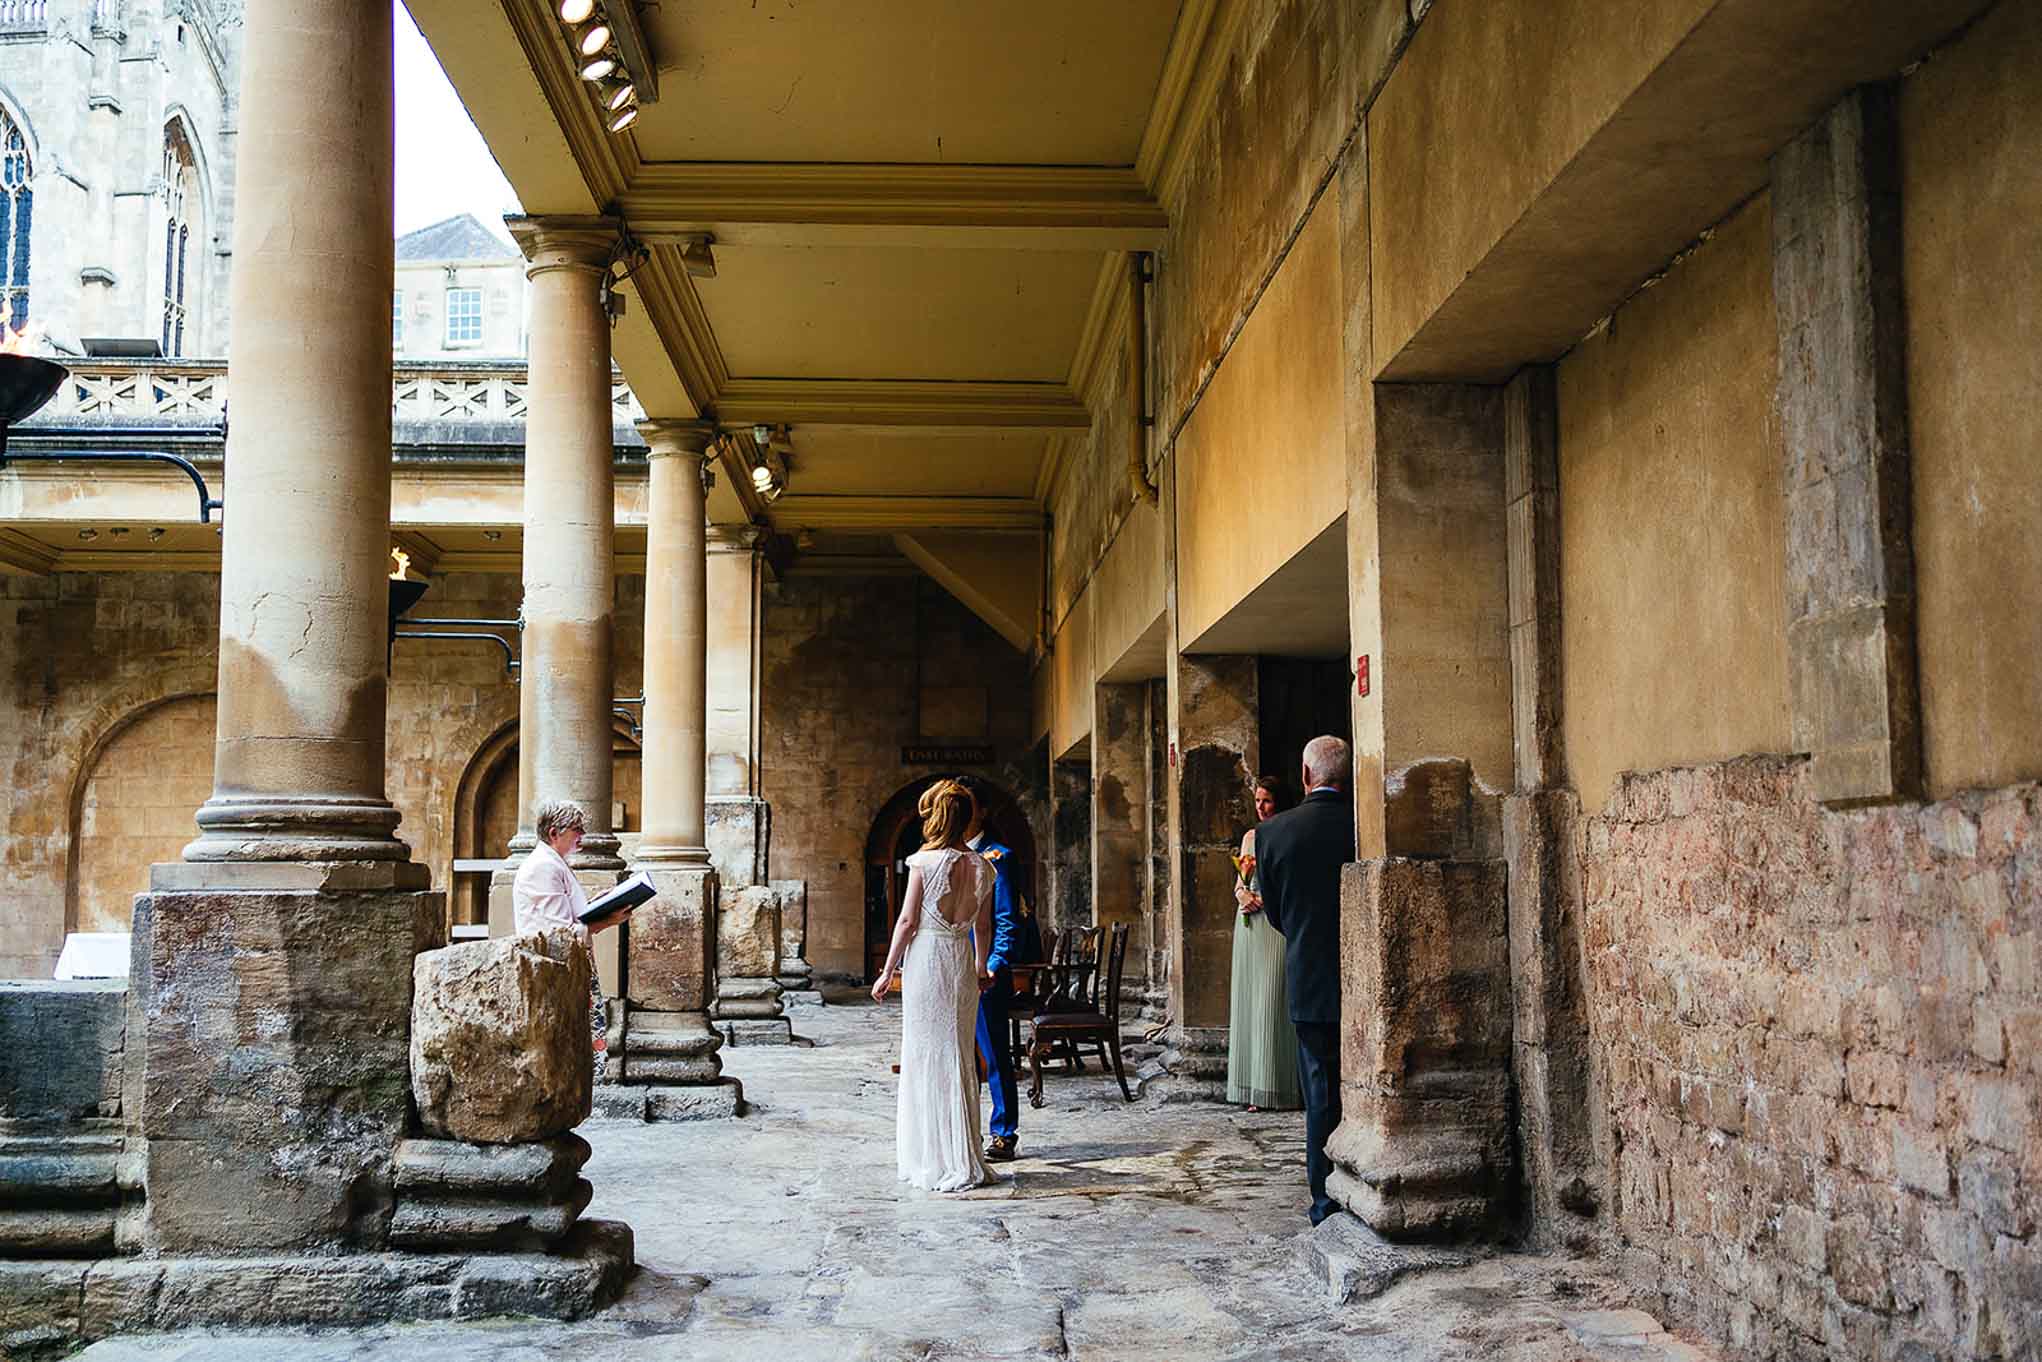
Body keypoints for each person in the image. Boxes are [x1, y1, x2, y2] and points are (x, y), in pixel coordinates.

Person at [872, 778, 997, 1192]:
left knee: (927, 1052)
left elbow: (907, 922)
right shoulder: (985, 866)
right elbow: (982, 925)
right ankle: (964, 1154)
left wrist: (887, 971)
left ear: (939, 817)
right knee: (958, 1052)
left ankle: (935, 1158)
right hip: (961, 961)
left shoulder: (923, 862)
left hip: (928, 959)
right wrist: (980, 969)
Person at [1254, 735, 1355, 1225]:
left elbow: (1276, 914)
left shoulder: (1274, 834)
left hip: (1309, 974)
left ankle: (1324, 1199)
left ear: (1305, 774)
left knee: (1320, 1092)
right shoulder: (1364, 824)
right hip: (1367, 981)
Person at [512, 798, 628, 1076]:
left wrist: (597, 906)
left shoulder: (553, 862)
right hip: (553, 969)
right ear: (554, 833)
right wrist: (605, 920)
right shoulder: (543, 866)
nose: (582, 836)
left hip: (564, 965)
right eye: (577, 829)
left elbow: (564, 916)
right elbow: (559, 933)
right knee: (560, 1049)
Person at [959, 774, 1025, 1162]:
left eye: (968, 803)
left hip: (985, 972)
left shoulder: (999, 856)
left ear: (981, 811)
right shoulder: (946, 855)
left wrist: (994, 967)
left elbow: (1005, 919)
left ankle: (1003, 1131)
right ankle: (963, 1130)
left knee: (994, 1053)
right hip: (951, 966)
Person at [1227, 775, 1302, 1112]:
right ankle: (1252, 1087)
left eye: (1267, 800)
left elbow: (1295, 883)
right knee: (1250, 1001)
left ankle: (1278, 1086)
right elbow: (1241, 880)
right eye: (1257, 800)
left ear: (1280, 802)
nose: (1260, 807)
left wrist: (1265, 900)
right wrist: (1243, 894)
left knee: (1272, 1000)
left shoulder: (1290, 831)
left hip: (1274, 925)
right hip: (1249, 926)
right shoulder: (1249, 837)